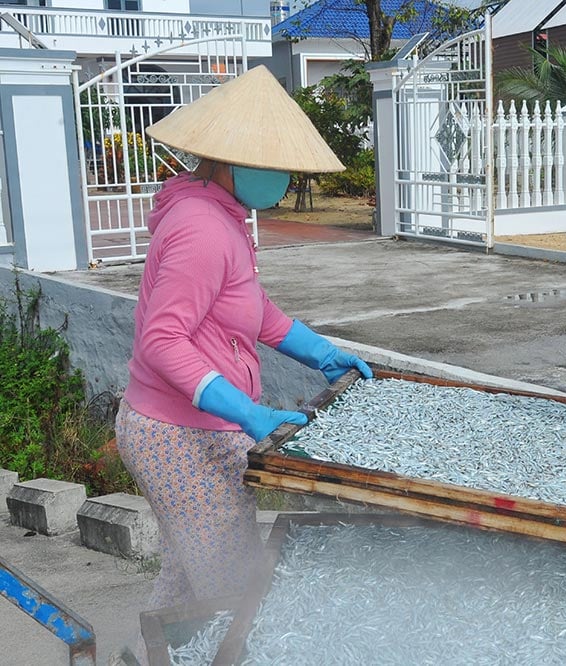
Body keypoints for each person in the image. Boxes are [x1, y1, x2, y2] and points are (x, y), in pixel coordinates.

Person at [113, 66, 373, 664]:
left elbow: (250, 312)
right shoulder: (202, 228)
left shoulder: (221, 216)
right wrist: (246, 411)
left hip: (196, 428)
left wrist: (323, 355)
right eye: (273, 164)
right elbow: (162, 340)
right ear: (231, 162)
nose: (283, 178)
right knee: (236, 586)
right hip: (177, 436)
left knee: (188, 568)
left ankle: (135, 656)